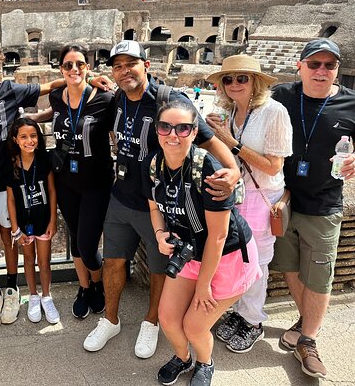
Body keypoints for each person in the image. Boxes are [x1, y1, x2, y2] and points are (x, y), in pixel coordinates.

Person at [84, 40, 239, 357]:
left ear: (146, 66)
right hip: (121, 195)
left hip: (160, 203)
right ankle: (110, 319)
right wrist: (88, 80)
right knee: (113, 260)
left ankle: (151, 322)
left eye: (131, 64)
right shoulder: (118, 98)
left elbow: (207, 140)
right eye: (118, 66)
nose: (125, 71)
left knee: (158, 267)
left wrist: (233, 170)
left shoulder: (169, 100)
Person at [0, 43, 110, 330]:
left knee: (9, 239)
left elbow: (48, 86)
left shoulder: (11, 89)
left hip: (10, 180)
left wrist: (87, 78)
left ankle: (11, 289)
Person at [143, 99, 261, 386]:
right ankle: (183, 358)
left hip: (228, 257)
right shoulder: (155, 165)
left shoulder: (208, 169)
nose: (173, 134)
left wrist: (204, 284)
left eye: (183, 128)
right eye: (165, 127)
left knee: (195, 326)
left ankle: (205, 363)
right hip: (190, 253)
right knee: (168, 319)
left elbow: (218, 236)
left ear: (195, 133)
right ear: (157, 131)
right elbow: (154, 207)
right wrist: (160, 235)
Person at [268, 38, 355, 379]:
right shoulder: (280, 95)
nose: (322, 71)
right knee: (289, 266)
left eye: (329, 65)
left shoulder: (351, 103)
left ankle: (308, 339)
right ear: (300, 66)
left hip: (324, 203)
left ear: (337, 70)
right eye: (314, 64)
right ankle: (307, 323)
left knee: (319, 275)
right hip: (284, 201)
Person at [204, 55, 293, 354]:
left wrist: (231, 142)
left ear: (255, 82)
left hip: (260, 196)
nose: (234, 84)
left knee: (256, 260)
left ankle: (253, 320)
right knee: (234, 256)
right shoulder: (227, 113)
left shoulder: (274, 112)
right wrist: (211, 134)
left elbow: (272, 166)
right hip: (237, 194)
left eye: (242, 78)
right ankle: (239, 311)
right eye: (227, 79)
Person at [48, 44, 115, 319]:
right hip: (66, 181)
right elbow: (54, 118)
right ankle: (84, 288)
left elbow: (117, 132)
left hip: (96, 182)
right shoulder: (56, 98)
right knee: (76, 240)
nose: (74, 69)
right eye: (68, 65)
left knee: (88, 244)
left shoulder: (105, 99)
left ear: (88, 67)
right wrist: (28, 119)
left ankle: (98, 282)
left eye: (79, 64)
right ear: (61, 69)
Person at [5, 118, 59, 324]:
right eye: (24, 137)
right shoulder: (11, 164)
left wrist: (53, 220)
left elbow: (52, 191)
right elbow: (10, 198)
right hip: (23, 223)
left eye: (33, 135)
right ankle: (33, 296)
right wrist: (15, 229)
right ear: (15, 140)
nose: (30, 140)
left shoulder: (44, 159)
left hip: (43, 219)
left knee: (44, 262)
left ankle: (47, 296)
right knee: (28, 259)